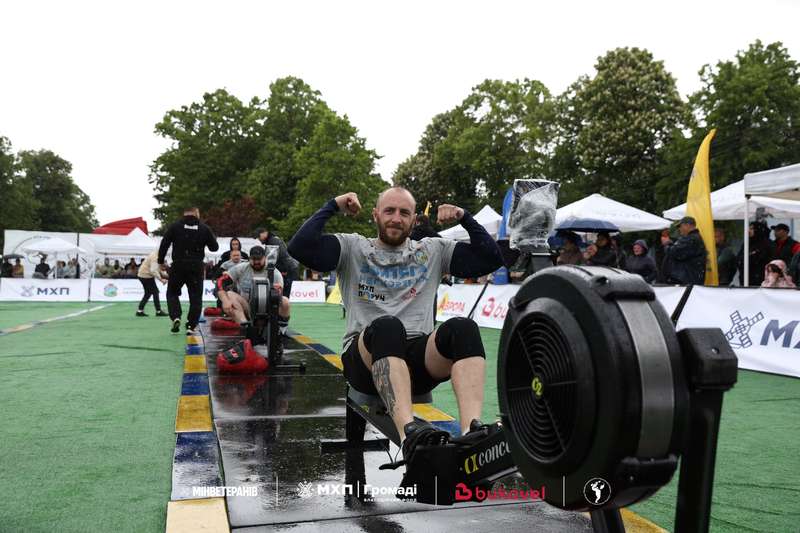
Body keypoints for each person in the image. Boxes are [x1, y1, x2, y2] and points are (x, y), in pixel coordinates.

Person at [287, 187, 504, 461]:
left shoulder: (432, 250)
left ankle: (472, 432)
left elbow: (491, 259)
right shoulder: (353, 247)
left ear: (414, 220)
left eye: (404, 213)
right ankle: (408, 436)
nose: (396, 218)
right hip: (364, 361)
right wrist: (333, 205)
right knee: (388, 326)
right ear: (375, 215)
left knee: (463, 328)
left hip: (416, 361)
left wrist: (464, 217)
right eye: (389, 211)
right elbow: (299, 247)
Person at [158, 207, 219, 334]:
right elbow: (214, 248)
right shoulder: (204, 228)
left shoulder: (175, 226)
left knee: (172, 293)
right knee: (196, 297)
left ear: (184, 213)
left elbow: (164, 243)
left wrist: (160, 261)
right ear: (197, 214)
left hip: (178, 265)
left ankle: (176, 316)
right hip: (196, 266)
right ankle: (191, 325)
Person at [216, 245, 291, 333]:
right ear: (249, 259)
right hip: (247, 307)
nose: (256, 262)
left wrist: (277, 291)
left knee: (285, 301)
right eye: (253, 259)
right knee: (229, 295)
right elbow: (221, 282)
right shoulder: (241, 268)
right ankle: (245, 326)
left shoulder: (274, 272)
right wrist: (225, 301)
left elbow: (279, 296)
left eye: (259, 259)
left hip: (267, 309)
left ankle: (281, 330)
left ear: (265, 258)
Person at [256, 226, 299, 301]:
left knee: (284, 292)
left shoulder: (272, 241)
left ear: (264, 233)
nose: (258, 239)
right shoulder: (274, 239)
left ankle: (283, 305)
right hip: (290, 267)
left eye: (258, 236)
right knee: (285, 291)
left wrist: (283, 270)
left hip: (287, 269)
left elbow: (280, 256)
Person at [662, 216, 707, 285]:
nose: (679, 229)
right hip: (689, 279)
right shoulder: (693, 238)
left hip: (688, 281)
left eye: (680, 226)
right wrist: (671, 244)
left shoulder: (691, 239)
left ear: (688, 225)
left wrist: (666, 245)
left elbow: (675, 252)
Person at [736, 221, 771, 287]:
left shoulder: (766, 244)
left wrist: (751, 256)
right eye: (749, 228)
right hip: (745, 278)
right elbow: (739, 257)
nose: (749, 231)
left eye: (752, 229)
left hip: (760, 279)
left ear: (757, 230)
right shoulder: (747, 242)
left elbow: (763, 259)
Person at [136, 250, 169, 317]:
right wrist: (161, 280)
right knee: (155, 292)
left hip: (143, 275)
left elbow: (157, 269)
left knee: (148, 293)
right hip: (146, 276)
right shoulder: (155, 257)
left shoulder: (155, 254)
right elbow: (153, 270)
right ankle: (158, 311)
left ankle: (140, 310)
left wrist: (165, 276)